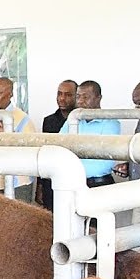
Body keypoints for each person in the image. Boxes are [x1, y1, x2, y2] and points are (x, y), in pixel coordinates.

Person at [61, 81, 121, 187]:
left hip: (99, 183)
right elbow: (60, 146)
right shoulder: (72, 119)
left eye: (85, 97)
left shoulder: (110, 123)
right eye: (78, 97)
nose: (80, 101)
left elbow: (103, 163)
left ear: (98, 98)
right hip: (72, 183)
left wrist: (71, 166)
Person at [37, 80, 77, 211]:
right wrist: (40, 186)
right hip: (51, 182)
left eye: (68, 95)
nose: (62, 98)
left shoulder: (83, 120)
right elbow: (44, 152)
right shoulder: (49, 121)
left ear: (77, 96)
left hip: (75, 180)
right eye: (59, 94)